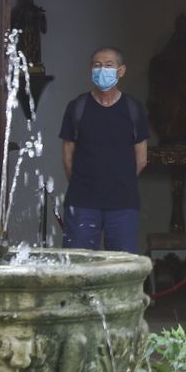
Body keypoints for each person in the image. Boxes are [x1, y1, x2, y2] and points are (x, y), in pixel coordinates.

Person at [59, 47, 150, 252]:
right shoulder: (77, 107)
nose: (102, 70)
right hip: (82, 203)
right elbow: (67, 157)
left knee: (121, 268)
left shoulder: (133, 109)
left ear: (121, 70)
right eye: (97, 65)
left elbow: (142, 158)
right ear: (91, 70)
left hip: (123, 204)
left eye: (109, 65)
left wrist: (118, 181)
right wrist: (86, 183)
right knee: (77, 265)